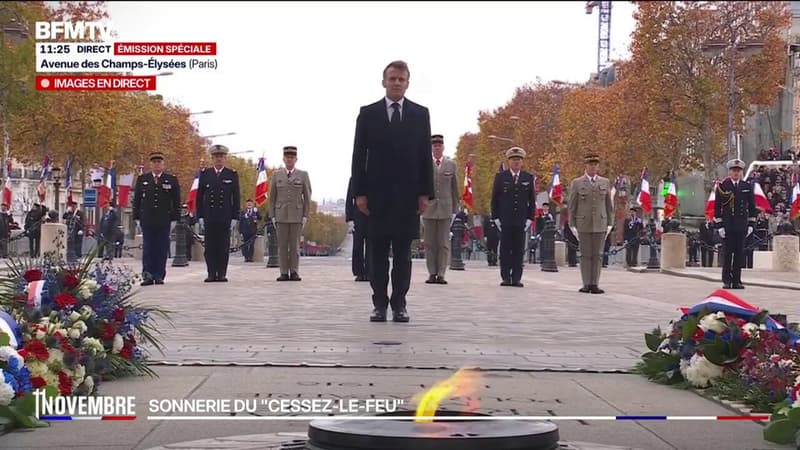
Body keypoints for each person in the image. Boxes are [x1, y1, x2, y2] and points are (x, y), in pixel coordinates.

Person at [350, 60, 433, 323]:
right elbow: (358, 155)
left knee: (403, 255)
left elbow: (424, 155)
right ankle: (379, 304)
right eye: (392, 78)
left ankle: (399, 304)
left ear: (407, 83)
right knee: (376, 254)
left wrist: (425, 193)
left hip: (408, 196)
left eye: (401, 79)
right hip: (376, 196)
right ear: (384, 81)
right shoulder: (368, 113)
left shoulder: (420, 114)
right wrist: (359, 193)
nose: (397, 83)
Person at [132, 151, 181, 285]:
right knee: (148, 249)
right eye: (154, 162)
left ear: (163, 164)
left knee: (161, 248)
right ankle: (147, 275)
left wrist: (175, 219)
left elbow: (176, 201)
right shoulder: (143, 179)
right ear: (150, 164)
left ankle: (159, 275)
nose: (156, 164)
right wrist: (136, 218)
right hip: (147, 219)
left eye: (159, 162)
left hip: (164, 220)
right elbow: (137, 200)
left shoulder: (171, 179)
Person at [568, 154, 614, 294]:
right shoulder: (577, 183)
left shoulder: (605, 182)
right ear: (586, 166)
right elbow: (572, 205)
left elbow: (609, 205)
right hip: (583, 223)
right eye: (590, 164)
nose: (593, 167)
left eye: (595, 165)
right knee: (585, 255)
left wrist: (610, 223)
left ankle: (595, 284)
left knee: (598, 255)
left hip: (600, 222)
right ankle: (586, 283)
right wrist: (572, 224)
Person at [491, 147, 536, 287]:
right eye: (513, 160)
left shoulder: (528, 178)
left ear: (522, 162)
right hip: (505, 220)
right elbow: (495, 199)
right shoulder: (501, 177)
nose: (516, 162)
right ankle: (505, 277)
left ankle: (516, 278)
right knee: (505, 250)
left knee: (518, 250)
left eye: (518, 160)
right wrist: (496, 218)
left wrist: (530, 218)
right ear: (509, 161)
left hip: (520, 220)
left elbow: (531, 200)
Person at [197, 144, 240, 282]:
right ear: (212, 159)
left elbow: (236, 197)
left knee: (223, 247)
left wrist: (235, 217)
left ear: (225, 158)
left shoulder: (231, 174)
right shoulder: (205, 174)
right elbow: (199, 197)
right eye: (216, 157)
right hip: (209, 216)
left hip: (225, 216)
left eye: (221, 157)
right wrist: (200, 216)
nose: (219, 159)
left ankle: (221, 273)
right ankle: (211, 273)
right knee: (210, 247)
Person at [269, 146, 312, 281]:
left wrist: (305, 215)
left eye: (292, 158)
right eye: (287, 158)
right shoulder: (277, 175)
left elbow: (307, 196)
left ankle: (294, 271)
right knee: (282, 246)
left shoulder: (303, 175)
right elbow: (272, 197)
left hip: (296, 215)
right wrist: (272, 215)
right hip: (280, 215)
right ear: (283, 159)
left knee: (294, 246)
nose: (289, 160)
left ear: (296, 159)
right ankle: (283, 272)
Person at [713, 158, 757, 289]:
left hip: (741, 225)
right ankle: (726, 280)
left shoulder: (746, 186)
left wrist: (751, 225)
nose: (736, 173)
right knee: (727, 254)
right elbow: (717, 208)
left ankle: (737, 280)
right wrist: (720, 226)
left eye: (738, 171)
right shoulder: (722, 186)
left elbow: (752, 207)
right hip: (727, 225)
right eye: (734, 170)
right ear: (729, 172)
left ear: (741, 172)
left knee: (739, 254)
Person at [421, 134, 459, 284]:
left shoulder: (451, 165)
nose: (437, 148)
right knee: (429, 243)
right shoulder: (425, 163)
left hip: (445, 208)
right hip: (429, 208)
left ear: (443, 147)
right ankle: (432, 273)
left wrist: (455, 209)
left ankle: (441, 273)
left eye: (439, 146)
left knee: (443, 243)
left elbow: (454, 188)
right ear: (431, 148)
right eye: (434, 146)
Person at [346, 176, 370, 282]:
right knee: (357, 245)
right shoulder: (355, 178)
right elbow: (349, 199)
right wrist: (350, 219)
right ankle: (359, 272)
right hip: (358, 216)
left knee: (371, 245)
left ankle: (370, 271)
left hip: (373, 215)